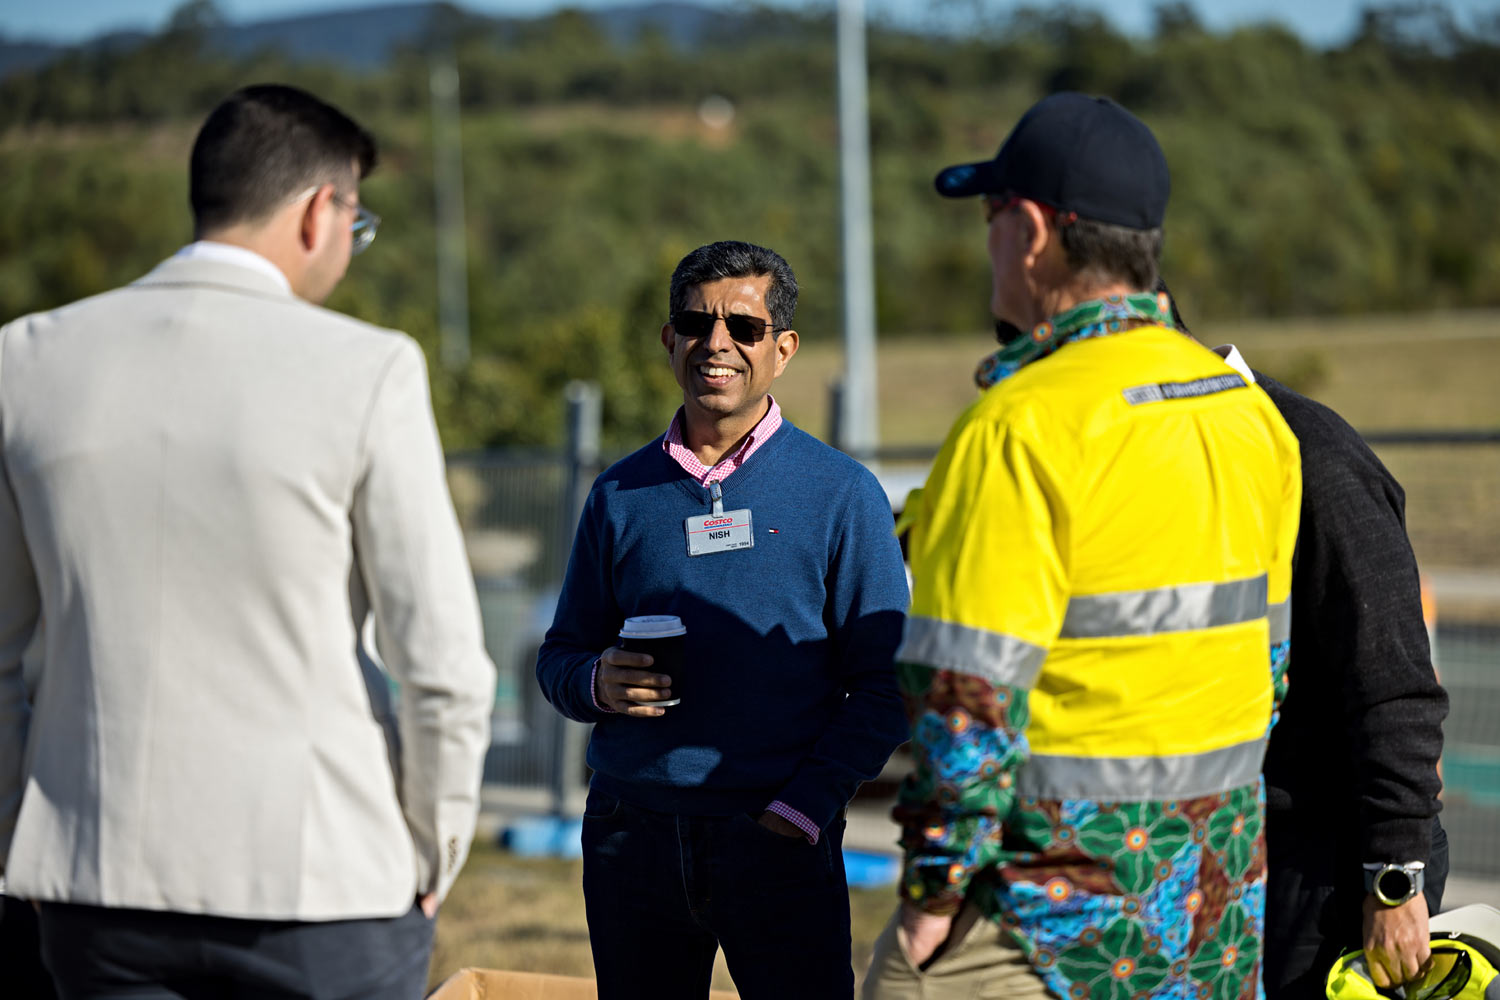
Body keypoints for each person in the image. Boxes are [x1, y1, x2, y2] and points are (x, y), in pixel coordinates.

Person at [0, 83, 496, 999]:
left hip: (92, 885)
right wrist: (432, 851)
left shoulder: (25, 358)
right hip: (324, 882)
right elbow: (441, 665)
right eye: (360, 220)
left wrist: (19, 844)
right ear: (321, 212)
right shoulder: (368, 368)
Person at [862, 92, 1302, 1000]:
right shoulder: (1249, 415)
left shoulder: (1018, 429)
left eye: (989, 219)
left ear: (1028, 231)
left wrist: (932, 902)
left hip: (1052, 923)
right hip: (1211, 913)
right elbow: (1272, 666)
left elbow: (966, 704)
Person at [535, 240, 910, 1000]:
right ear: (669, 339)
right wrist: (596, 682)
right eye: (696, 323)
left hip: (778, 835)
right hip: (629, 832)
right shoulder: (618, 494)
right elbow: (560, 656)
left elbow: (886, 688)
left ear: (782, 348)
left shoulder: (841, 493)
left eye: (743, 327)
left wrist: (803, 809)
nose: (717, 344)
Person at [1159, 288, 1450, 999]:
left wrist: (1393, 881)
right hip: (1231, 851)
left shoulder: (1311, 455)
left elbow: (1395, 685)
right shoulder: (1181, 463)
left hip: (1328, 867)